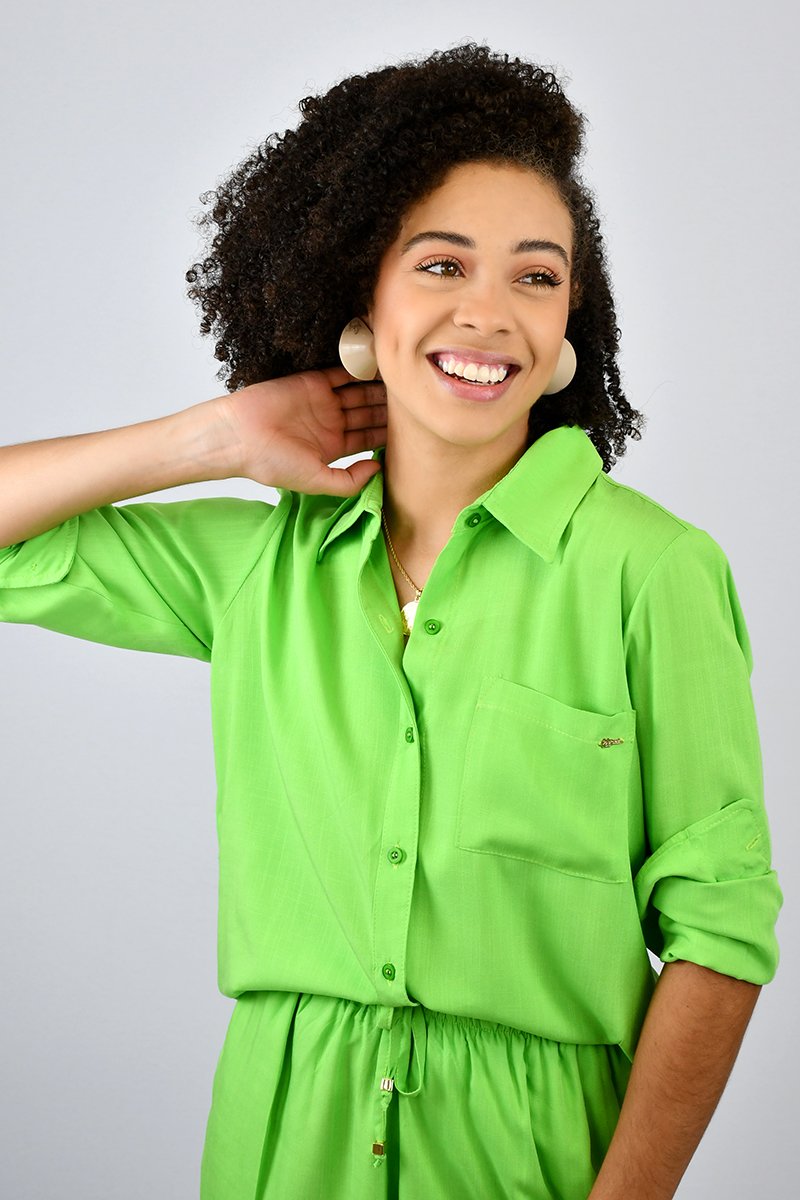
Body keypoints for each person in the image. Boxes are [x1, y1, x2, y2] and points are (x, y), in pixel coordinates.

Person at [0, 42, 783, 1200]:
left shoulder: (650, 571)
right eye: (440, 264)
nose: (489, 314)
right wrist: (210, 436)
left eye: (534, 276)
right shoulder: (257, 566)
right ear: (357, 297)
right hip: (282, 1138)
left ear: (570, 321)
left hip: (534, 1157)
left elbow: (720, 930)